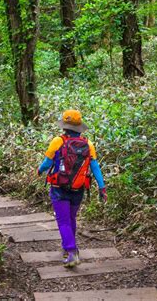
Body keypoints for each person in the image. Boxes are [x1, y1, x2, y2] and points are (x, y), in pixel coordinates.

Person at [37, 109, 107, 268]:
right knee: (71, 218)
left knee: (63, 220)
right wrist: (102, 188)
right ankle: (68, 247)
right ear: (79, 127)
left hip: (59, 187)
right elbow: (95, 167)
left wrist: (40, 170)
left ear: (64, 126)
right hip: (78, 188)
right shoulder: (88, 144)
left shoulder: (58, 141)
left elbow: (47, 163)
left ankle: (71, 252)